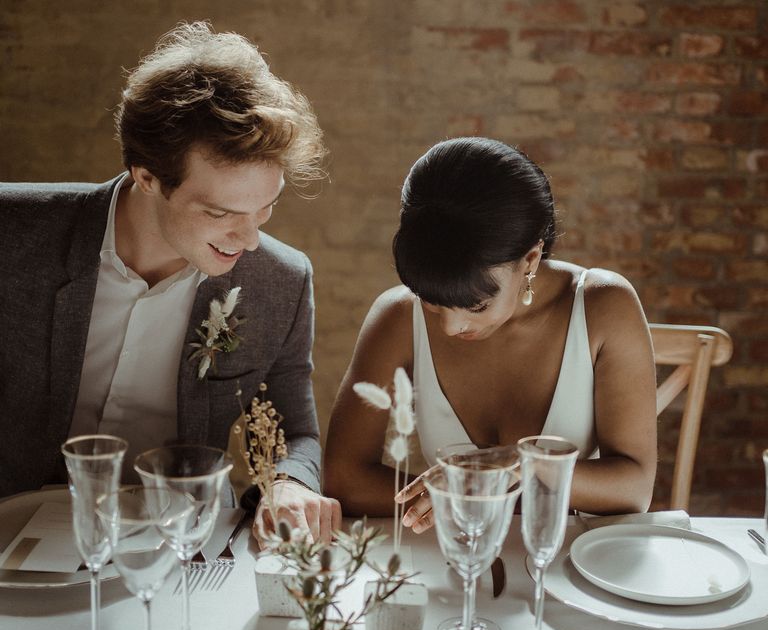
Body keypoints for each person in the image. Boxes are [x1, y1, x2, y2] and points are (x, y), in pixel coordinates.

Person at [0, 22, 340, 543]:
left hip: (182, 540)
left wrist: (289, 484)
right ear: (148, 178)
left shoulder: (281, 280)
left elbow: (295, 431)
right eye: (221, 212)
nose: (249, 240)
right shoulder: (15, 234)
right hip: (15, 527)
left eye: (265, 210)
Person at [324, 137, 657, 532]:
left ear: (530, 259)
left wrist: (512, 465)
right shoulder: (397, 316)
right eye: (432, 301)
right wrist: (456, 497)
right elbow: (343, 479)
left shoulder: (605, 306)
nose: (451, 326)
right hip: (452, 557)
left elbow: (633, 488)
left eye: (476, 306)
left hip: (569, 563)